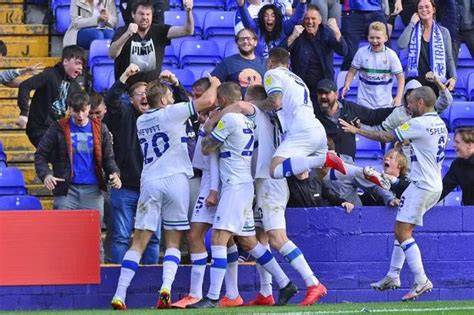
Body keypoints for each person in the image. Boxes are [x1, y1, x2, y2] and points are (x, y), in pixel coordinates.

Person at [110, 76, 219, 310]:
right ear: (162, 99)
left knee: (138, 241)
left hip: (149, 180)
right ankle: (166, 288)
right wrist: (216, 83)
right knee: (173, 240)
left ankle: (120, 294)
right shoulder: (170, 113)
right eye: (169, 97)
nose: (172, 100)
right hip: (176, 179)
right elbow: (208, 100)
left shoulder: (141, 121)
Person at [187, 84, 298, 310]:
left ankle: (212, 297)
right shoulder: (248, 121)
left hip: (234, 188)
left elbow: (207, 148)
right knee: (248, 241)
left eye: (218, 100)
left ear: (224, 100)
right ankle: (285, 283)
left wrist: (209, 128)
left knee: (219, 238)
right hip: (244, 185)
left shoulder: (228, 121)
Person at [340, 86, 448, 301]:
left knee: (402, 231)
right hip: (433, 183)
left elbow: (385, 135)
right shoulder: (440, 123)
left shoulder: (419, 123)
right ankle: (392, 275)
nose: (407, 106)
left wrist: (357, 131)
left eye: (411, 102)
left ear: (420, 103)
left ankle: (421, 279)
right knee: (402, 229)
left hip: (422, 184)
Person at [104, 64, 189, 265]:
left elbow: (183, 107)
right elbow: (111, 102)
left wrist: (176, 85)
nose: (143, 97)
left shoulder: (163, 118)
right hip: (125, 186)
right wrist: (124, 76)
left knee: (154, 239)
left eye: (146, 93)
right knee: (122, 237)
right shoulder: (123, 114)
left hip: (152, 186)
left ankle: (150, 279)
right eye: (139, 94)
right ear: (130, 99)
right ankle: (118, 274)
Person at [256, 48, 347, 181]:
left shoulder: (272, 73)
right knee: (325, 175)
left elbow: (275, 102)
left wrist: (255, 104)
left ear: (269, 62)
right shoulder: (298, 79)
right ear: (288, 64)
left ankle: (324, 158)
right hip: (317, 129)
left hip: (301, 130)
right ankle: (362, 172)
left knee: (275, 170)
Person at [34, 90, 121, 211]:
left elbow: (108, 158)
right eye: (76, 111)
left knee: (92, 228)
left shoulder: (101, 128)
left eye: (84, 110)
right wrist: (46, 175)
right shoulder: (58, 127)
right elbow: (40, 154)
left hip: (93, 189)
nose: (80, 115)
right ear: (69, 109)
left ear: (89, 107)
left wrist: (114, 173)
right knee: (64, 229)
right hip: (66, 190)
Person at [108, 0, 194, 86]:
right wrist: (127, 34)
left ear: (152, 16)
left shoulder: (160, 31)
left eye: (148, 14)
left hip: (152, 92)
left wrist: (189, 12)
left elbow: (188, 31)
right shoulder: (123, 31)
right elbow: (112, 54)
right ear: (133, 15)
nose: (145, 17)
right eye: (141, 14)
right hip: (126, 91)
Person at [17, 45, 85, 147]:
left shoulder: (75, 87)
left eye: (82, 65)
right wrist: (23, 112)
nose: (80, 67)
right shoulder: (49, 74)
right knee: (59, 154)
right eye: (77, 63)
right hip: (39, 128)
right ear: (65, 61)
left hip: (57, 129)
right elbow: (25, 86)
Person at [283, 4, 348, 111]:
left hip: (324, 87)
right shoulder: (297, 32)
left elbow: (343, 51)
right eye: (307, 19)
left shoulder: (326, 32)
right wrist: (293, 36)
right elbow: (280, 53)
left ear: (320, 20)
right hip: (301, 87)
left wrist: (337, 32)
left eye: (313, 19)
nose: (310, 22)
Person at [315, 78, 394, 159]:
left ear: (336, 94)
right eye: (320, 93)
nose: (323, 96)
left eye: (327, 93)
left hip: (347, 163)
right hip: (322, 164)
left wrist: (396, 110)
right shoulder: (312, 114)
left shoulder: (350, 108)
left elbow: (373, 116)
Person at [397, 0, 457, 94]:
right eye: (420, 8)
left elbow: (449, 58)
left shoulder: (444, 32)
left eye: (427, 7)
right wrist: (411, 24)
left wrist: (454, 77)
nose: (424, 10)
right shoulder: (412, 30)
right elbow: (401, 45)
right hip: (415, 80)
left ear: (433, 10)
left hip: (436, 80)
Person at [342, 21, 405, 109]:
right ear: (368, 38)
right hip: (363, 104)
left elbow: (400, 77)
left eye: (378, 38)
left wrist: (398, 97)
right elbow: (352, 71)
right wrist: (347, 85)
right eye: (372, 37)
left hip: (385, 105)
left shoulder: (391, 55)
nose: (374, 41)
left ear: (385, 38)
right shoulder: (361, 52)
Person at [236, 0, 306, 58]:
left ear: (277, 18)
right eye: (266, 16)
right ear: (261, 18)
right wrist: (241, 6)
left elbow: (297, 17)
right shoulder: (257, 28)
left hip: (280, 67)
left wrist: (302, 3)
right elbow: (247, 20)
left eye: (273, 16)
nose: (269, 19)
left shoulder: (284, 26)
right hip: (260, 67)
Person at [211, 28, 267, 95]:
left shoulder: (265, 63)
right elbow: (213, 82)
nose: (245, 42)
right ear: (237, 43)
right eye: (241, 39)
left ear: (255, 42)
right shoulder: (227, 63)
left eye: (248, 38)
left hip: (261, 104)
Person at [340, 0, 387, 71]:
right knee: (350, 55)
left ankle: (387, 79)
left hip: (376, 9)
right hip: (351, 11)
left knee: (385, 51)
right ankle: (345, 80)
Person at [438, 127, 474, 205]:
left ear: (470, 145)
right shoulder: (457, 165)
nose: (454, 146)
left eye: (457, 142)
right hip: (469, 211)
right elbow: (444, 189)